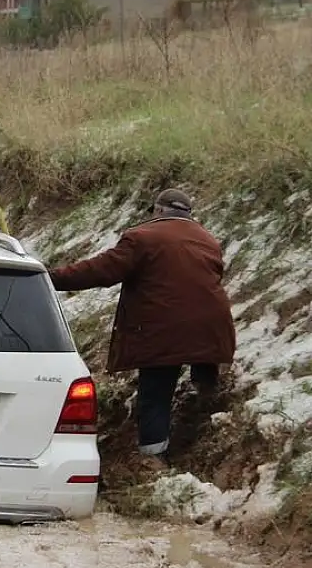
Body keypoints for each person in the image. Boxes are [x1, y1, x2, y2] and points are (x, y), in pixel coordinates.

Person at [47, 188, 236, 471]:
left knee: (156, 392)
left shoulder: (142, 238)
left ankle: (154, 458)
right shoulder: (208, 240)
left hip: (163, 329)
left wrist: (49, 279)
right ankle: (205, 404)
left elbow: (100, 271)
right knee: (201, 362)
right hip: (213, 327)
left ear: (158, 211)